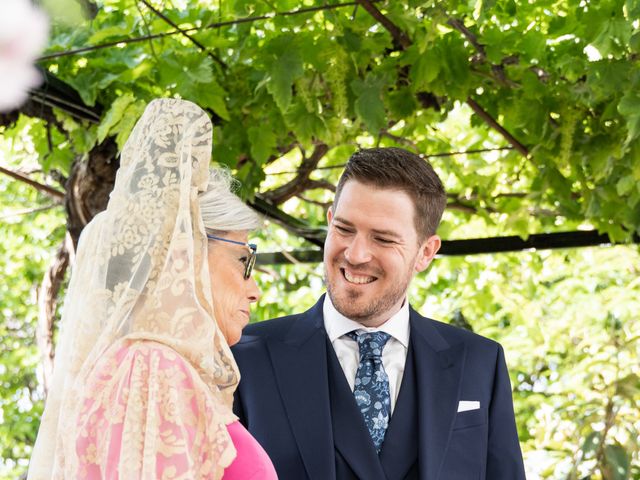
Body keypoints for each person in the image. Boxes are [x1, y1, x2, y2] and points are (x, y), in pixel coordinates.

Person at [232, 147, 526, 479]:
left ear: (425, 253)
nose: (355, 255)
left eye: (383, 239)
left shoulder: (480, 364)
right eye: (344, 229)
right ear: (329, 222)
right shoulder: (245, 359)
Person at [27, 98, 277, 479]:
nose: (254, 289)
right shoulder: (151, 368)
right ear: (187, 253)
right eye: (244, 261)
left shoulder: (151, 368)